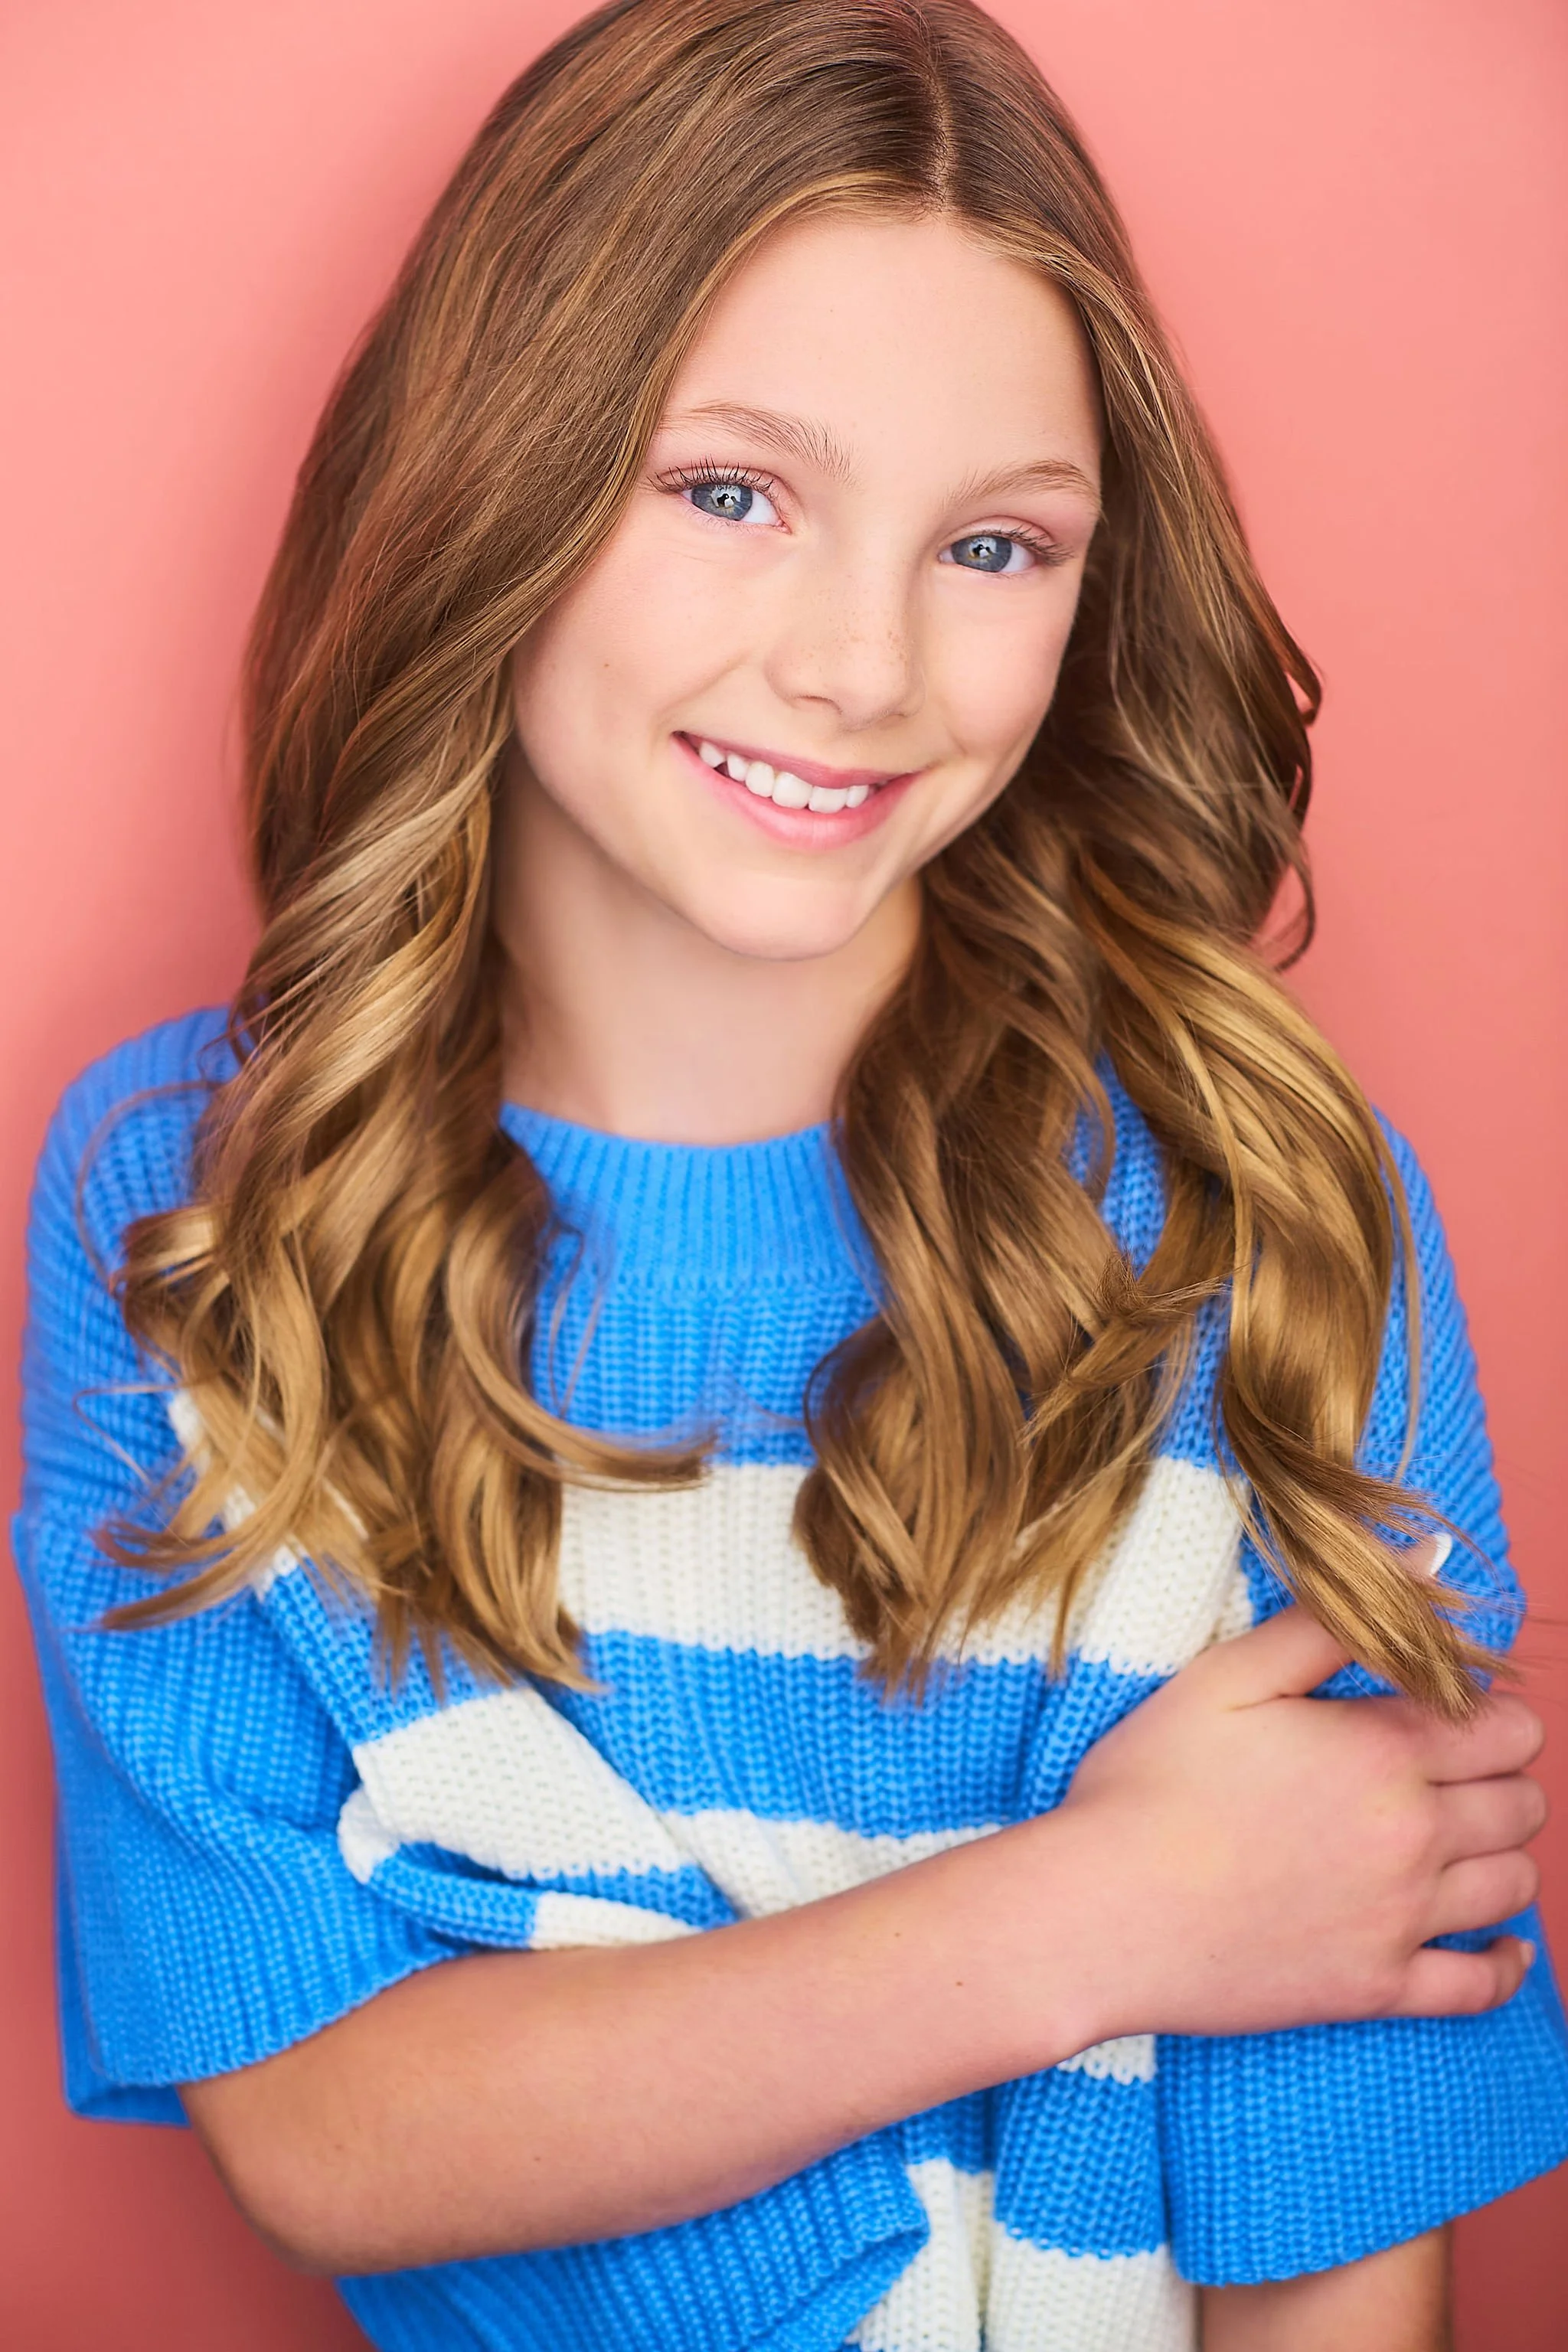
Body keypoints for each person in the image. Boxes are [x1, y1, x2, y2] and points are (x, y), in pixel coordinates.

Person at [15, 2, 1566, 2346]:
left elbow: (1346, 2155)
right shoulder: (190, 1213)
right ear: (498, 481)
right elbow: (319, 2127)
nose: (864, 666)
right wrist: (1105, 1916)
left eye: (994, 545)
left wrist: (1226, 1915)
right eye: (731, 493)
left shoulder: (1259, 1206)